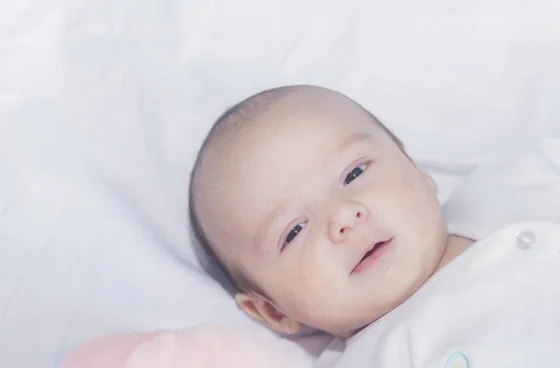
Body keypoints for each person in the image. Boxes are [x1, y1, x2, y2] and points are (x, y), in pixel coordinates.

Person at [188, 84, 474, 337]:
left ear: (417, 170)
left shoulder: (499, 198)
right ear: (274, 312)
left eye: (354, 174)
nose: (343, 216)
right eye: (295, 231)